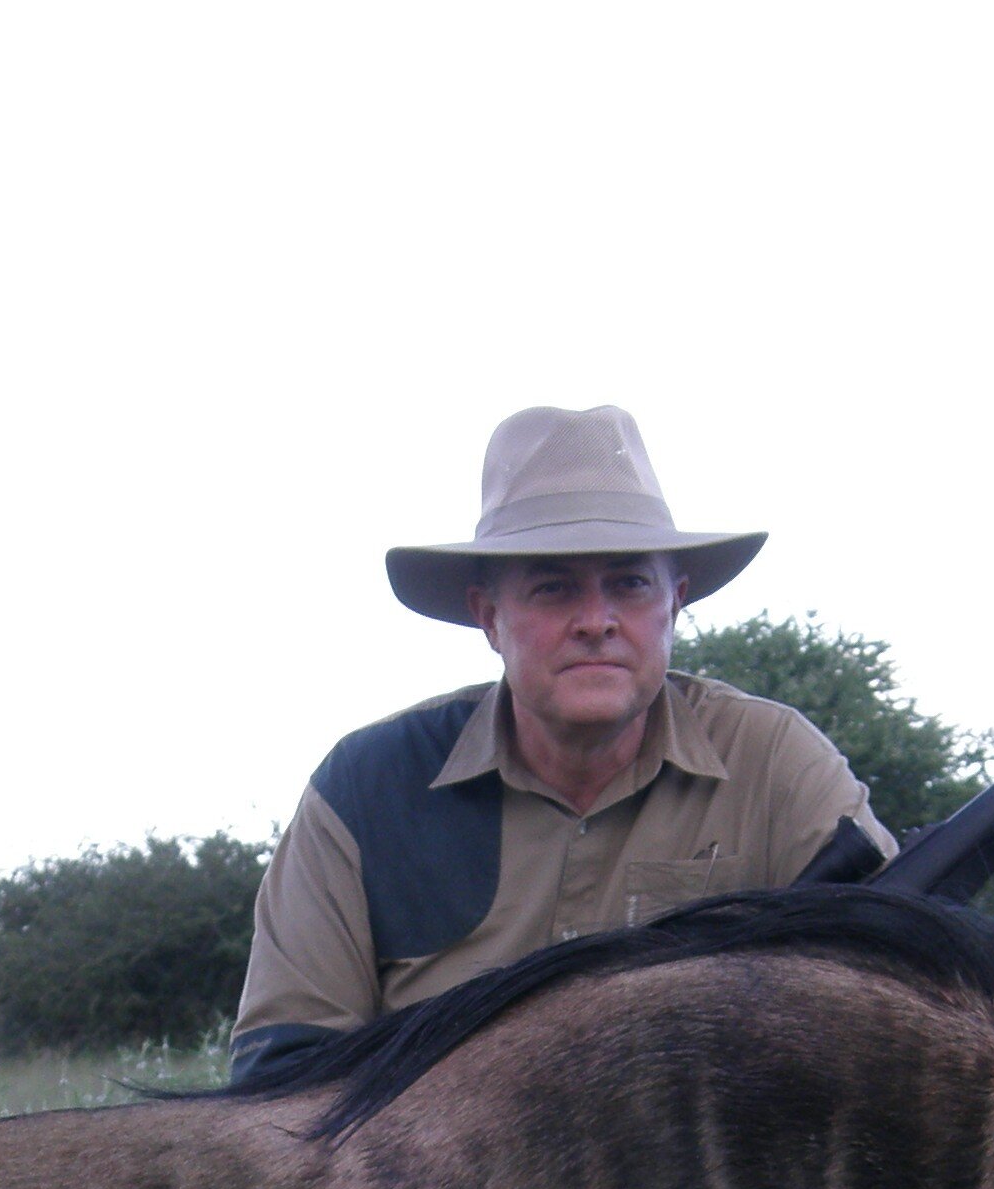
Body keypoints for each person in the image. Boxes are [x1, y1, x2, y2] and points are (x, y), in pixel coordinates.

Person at [229, 405, 895, 1085]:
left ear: (676, 602)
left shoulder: (776, 761)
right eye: (553, 587)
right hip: (433, 1187)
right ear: (489, 616)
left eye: (630, 584)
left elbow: (905, 1004)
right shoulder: (365, 790)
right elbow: (280, 1082)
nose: (597, 621)